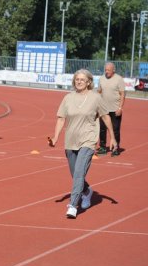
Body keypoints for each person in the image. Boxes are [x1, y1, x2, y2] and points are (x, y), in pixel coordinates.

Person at [50, 69, 117, 219]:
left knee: (79, 172)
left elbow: (105, 117)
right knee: (75, 175)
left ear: (88, 82)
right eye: (77, 79)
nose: (79, 81)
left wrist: (112, 137)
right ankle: (87, 192)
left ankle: (73, 205)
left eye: (82, 79)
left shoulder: (96, 98)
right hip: (70, 141)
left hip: (88, 140)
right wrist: (55, 137)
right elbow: (61, 118)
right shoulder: (67, 98)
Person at [97, 62, 125, 156]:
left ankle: (115, 147)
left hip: (115, 109)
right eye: (105, 70)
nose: (106, 71)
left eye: (108, 70)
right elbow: (99, 91)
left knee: (115, 129)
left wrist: (120, 108)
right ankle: (102, 147)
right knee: (102, 129)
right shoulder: (101, 78)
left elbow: (122, 94)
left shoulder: (119, 79)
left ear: (113, 70)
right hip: (103, 109)